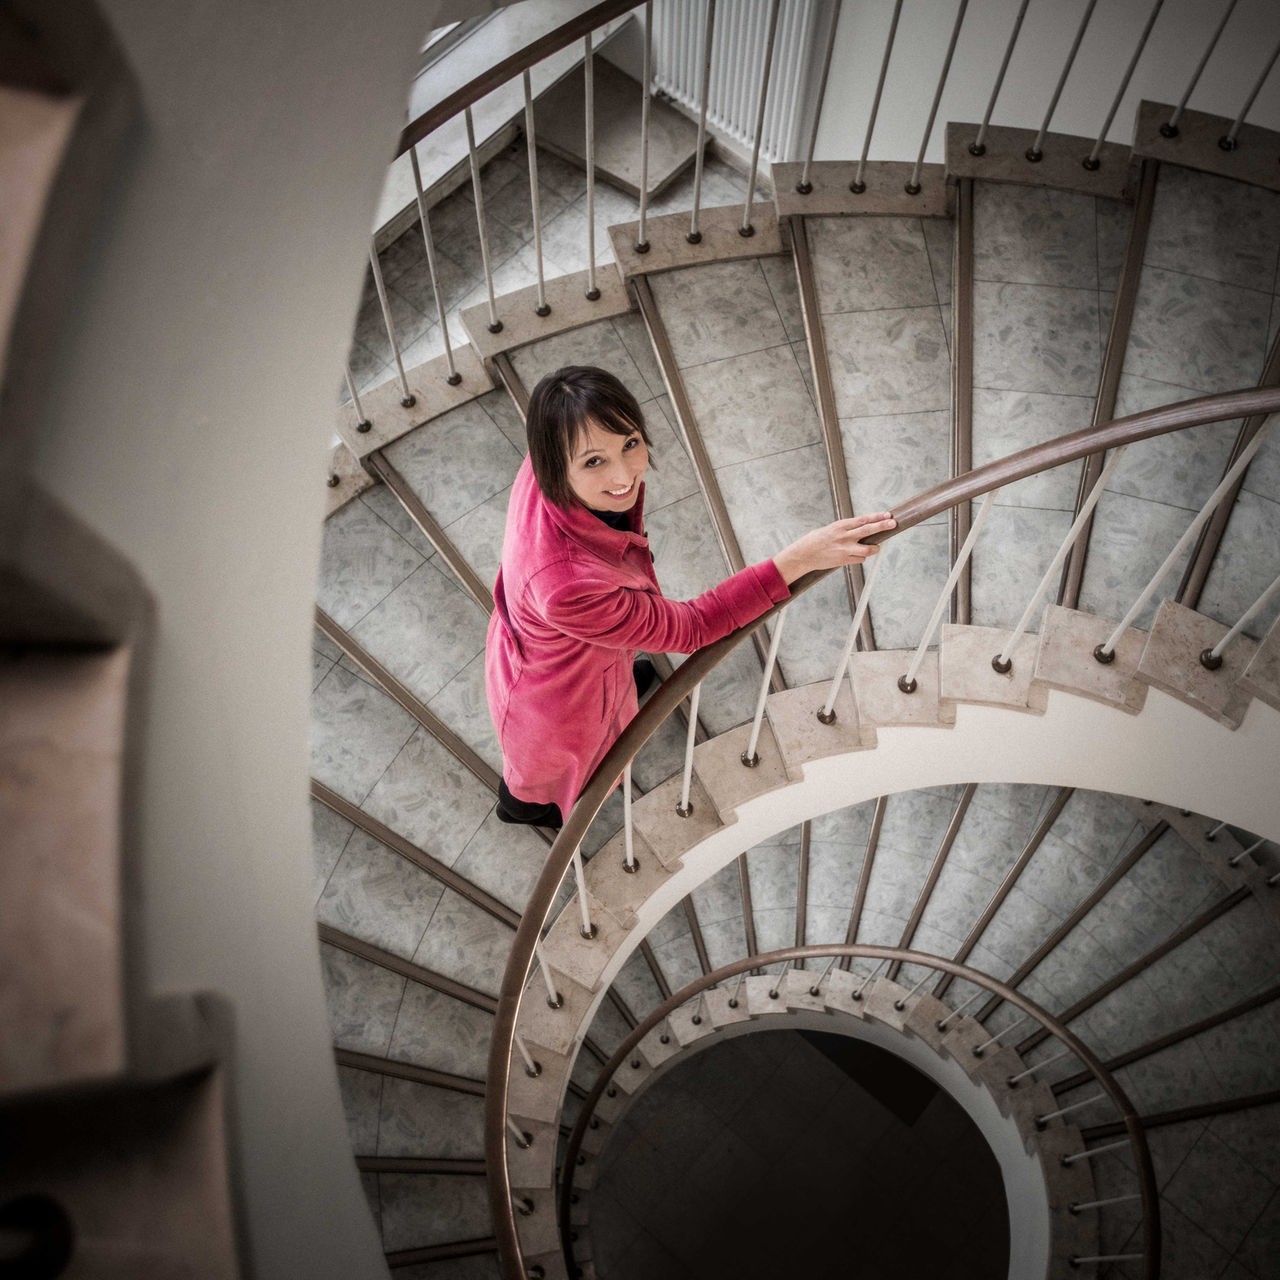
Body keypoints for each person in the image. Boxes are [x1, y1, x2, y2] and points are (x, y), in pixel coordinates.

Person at [484, 365, 896, 830]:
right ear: (554, 466)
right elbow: (694, 627)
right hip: (555, 700)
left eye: (630, 444)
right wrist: (799, 559)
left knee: (620, 684)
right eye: (594, 462)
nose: (624, 475)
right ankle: (522, 808)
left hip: (555, 644)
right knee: (545, 775)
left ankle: (618, 692)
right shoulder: (567, 589)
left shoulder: (552, 457)